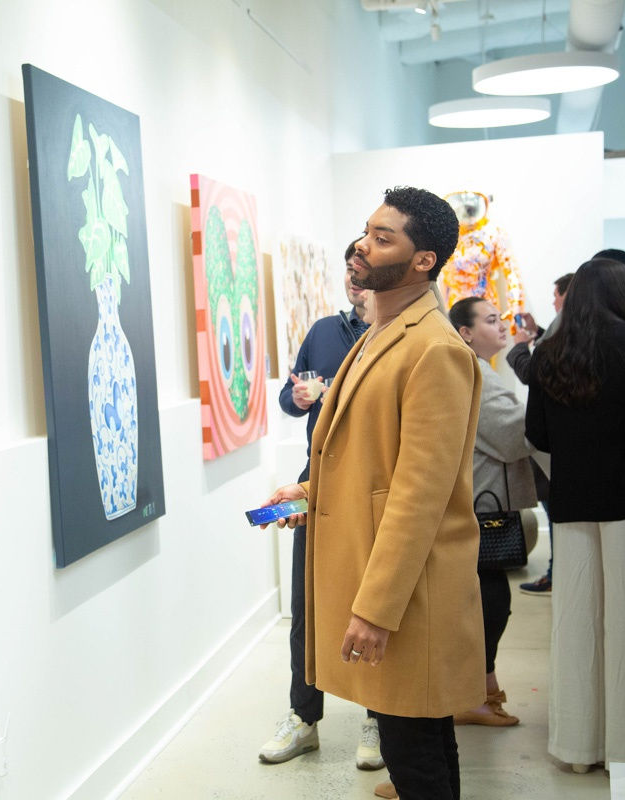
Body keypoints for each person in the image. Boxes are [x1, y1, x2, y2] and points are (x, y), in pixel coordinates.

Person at [261, 186, 483, 800]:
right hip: (386, 575)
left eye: (383, 238)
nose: (362, 245)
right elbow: (375, 459)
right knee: (420, 738)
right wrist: (309, 491)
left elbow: (419, 494)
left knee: (414, 751)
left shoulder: (434, 349)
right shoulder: (381, 333)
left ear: (423, 261)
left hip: (409, 590)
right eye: (366, 231)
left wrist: (375, 610)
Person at [525, 257, 625, 772]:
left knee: (575, 624)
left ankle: (578, 748)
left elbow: (537, 435)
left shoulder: (547, 354)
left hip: (571, 503)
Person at [260, 240, 381, 770]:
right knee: (306, 605)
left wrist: (330, 394)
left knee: (373, 605)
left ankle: (379, 717)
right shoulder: (323, 331)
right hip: (318, 479)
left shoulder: (393, 337)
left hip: (374, 487)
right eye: (349, 271)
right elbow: (290, 398)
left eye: (363, 270)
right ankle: (303, 717)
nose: (354, 279)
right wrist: (297, 398)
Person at [449, 297, 537, 728]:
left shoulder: (479, 369)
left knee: (488, 599)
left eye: (499, 318)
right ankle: (475, 695)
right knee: (488, 601)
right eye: (489, 320)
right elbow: (514, 435)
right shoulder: (475, 373)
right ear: (466, 333)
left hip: (481, 500)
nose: (501, 326)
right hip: (481, 505)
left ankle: (481, 691)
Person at [509, 271, 574, 596]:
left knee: (557, 512)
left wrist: (521, 347)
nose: (553, 301)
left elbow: (533, 373)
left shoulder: (568, 335)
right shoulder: (574, 331)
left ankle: (555, 574)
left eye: (556, 295)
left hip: (555, 445)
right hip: (562, 444)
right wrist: (537, 333)